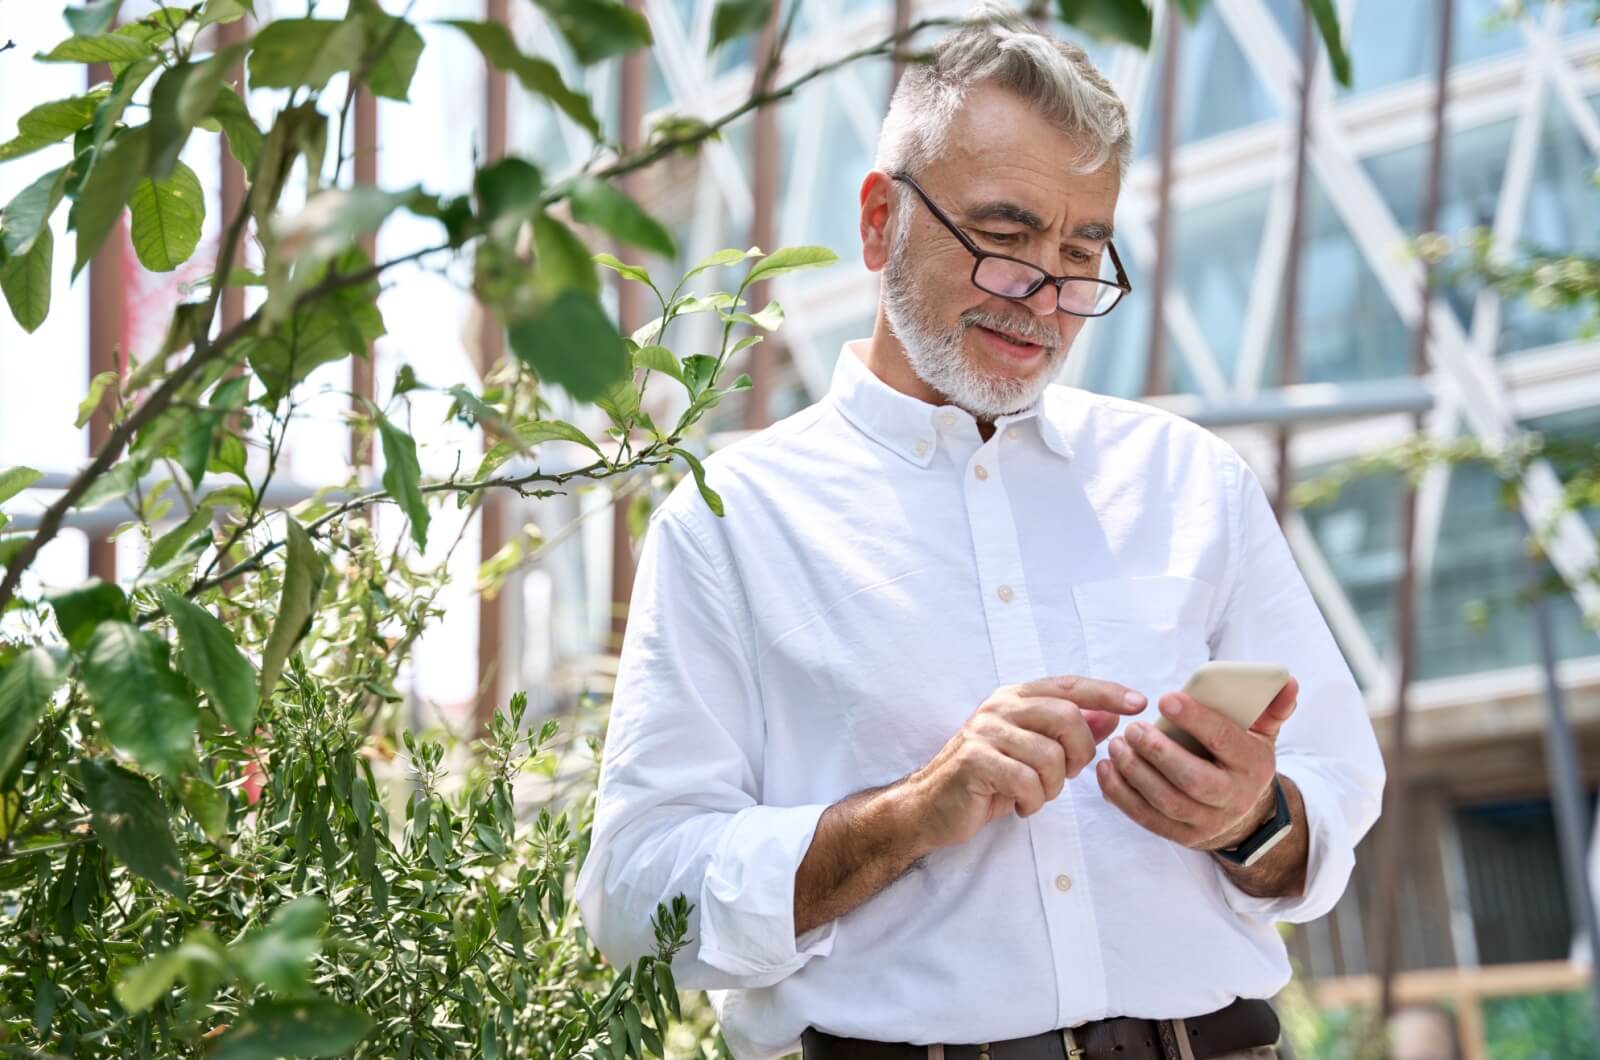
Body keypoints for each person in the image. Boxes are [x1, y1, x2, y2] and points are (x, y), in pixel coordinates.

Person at [574, 6, 1385, 1060]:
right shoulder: (730, 525)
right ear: (879, 221)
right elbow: (635, 897)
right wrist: (912, 811)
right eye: (1002, 241)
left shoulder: (1193, 481)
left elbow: (1333, 798)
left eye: (1079, 253)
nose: (1042, 298)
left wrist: (1247, 816)